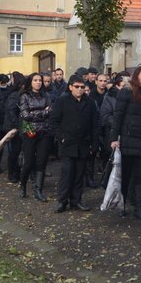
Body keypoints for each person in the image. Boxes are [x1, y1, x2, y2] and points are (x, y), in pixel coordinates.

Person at [110, 64, 141, 221]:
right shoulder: (126, 92)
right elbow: (118, 116)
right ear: (136, 76)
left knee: (140, 175)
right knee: (126, 175)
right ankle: (122, 205)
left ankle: (139, 207)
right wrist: (114, 138)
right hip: (128, 139)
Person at [50, 74, 99, 212]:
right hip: (68, 144)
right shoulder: (62, 101)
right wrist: (62, 138)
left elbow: (95, 124)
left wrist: (94, 143)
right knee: (67, 173)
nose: (79, 89)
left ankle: (76, 200)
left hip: (84, 143)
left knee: (79, 174)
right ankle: (62, 201)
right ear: (70, 87)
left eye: (82, 87)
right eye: (76, 87)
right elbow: (54, 122)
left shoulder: (90, 103)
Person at [19, 72, 53, 200]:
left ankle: (38, 190)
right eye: (35, 80)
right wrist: (43, 112)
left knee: (41, 162)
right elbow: (25, 115)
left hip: (44, 132)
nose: (38, 82)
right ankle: (23, 185)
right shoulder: (25, 96)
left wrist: (37, 112)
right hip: (30, 132)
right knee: (28, 163)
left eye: (40, 80)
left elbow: (50, 111)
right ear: (31, 82)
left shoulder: (46, 95)